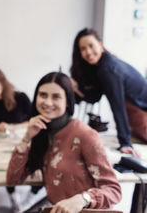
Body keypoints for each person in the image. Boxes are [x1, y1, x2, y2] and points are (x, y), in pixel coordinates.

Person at [7, 72, 121, 212]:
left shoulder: (85, 135)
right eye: (43, 95)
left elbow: (113, 190)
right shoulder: (42, 133)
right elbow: (13, 179)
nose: (48, 102)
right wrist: (27, 137)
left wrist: (82, 199)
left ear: (67, 101)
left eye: (56, 97)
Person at [70, 28, 147, 156]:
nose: (88, 52)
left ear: (100, 44)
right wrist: (76, 87)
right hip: (136, 120)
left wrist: (125, 142)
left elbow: (118, 106)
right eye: (83, 49)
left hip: (143, 116)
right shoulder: (99, 68)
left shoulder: (108, 69)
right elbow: (94, 97)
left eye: (91, 45)